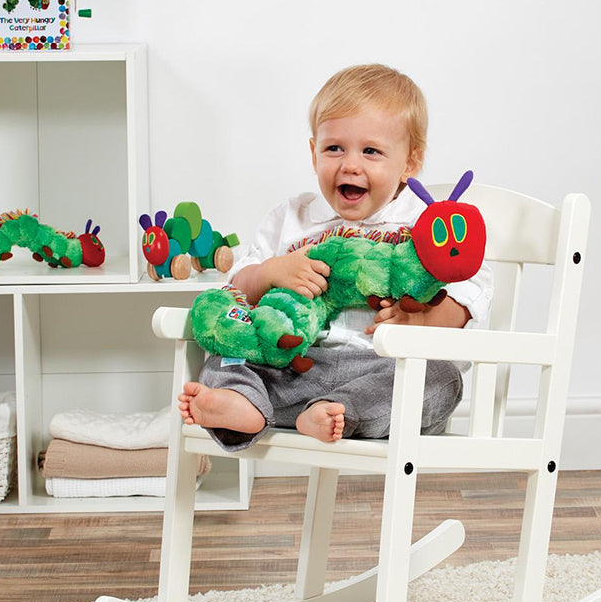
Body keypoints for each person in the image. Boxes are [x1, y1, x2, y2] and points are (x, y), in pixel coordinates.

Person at [178, 64, 493, 451]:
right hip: (291, 367)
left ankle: (337, 411)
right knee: (227, 356)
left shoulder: (427, 223)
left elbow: (469, 291)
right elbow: (236, 290)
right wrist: (270, 273)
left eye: (371, 151)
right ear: (314, 153)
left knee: (441, 379)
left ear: (410, 162)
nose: (350, 165)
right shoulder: (290, 218)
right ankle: (241, 404)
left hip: (381, 371)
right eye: (334, 148)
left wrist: (422, 317)